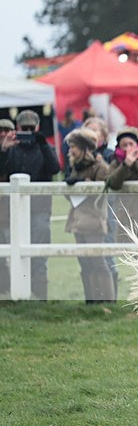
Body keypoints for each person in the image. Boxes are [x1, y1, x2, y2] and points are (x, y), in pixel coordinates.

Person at [0, 110, 61, 300]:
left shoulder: (45, 148)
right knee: (16, 254)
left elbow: (55, 169)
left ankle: (40, 297)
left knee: (39, 256)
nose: (27, 132)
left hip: (40, 209)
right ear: (17, 129)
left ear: (37, 128)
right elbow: (2, 173)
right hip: (14, 211)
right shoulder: (12, 148)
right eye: (23, 129)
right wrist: (3, 150)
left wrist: (43, 144)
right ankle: (19, 296)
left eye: (30, 129)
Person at [63, 128, 115, 303]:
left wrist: (83, 184)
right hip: (78, 220)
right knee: (85, 263)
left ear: (85, 148)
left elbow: (101, 193)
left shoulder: (100, 167)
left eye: (74, 147)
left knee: (98, 262)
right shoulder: (74, 167)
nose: (71, 151)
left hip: (93, 220)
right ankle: (91, 300)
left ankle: (107, 300)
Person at [82, 116, 119, 299]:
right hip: (83, 214)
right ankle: (92, 302)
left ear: (103, 135)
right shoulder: (77, 156)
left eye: (94, 130)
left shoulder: (110, 155)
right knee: (85, 258)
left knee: (105, 256)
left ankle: (110, 301)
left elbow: (111, 180)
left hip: (106, 213)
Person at [0, 119, 15, 294]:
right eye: (0, 130)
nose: (3, 134)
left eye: (7, 130)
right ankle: (5, 291)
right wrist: (3, 151)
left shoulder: (19, 151)